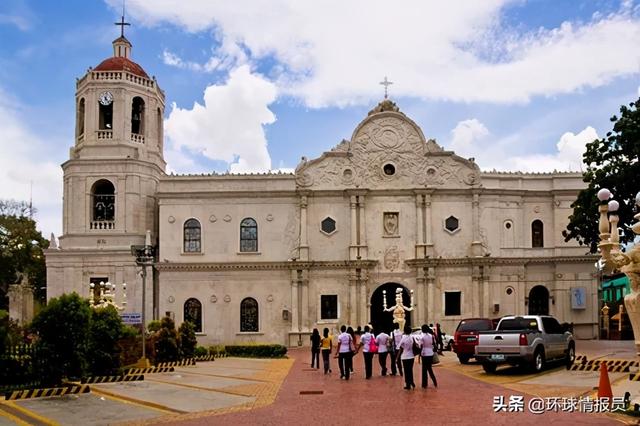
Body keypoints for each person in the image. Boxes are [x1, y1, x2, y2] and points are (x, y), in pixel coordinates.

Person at [396, 325, 417, 390]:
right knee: (410, 370)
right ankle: (411, 381)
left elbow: (400, 348)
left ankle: (408, 384)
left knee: (406, 370)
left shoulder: (403, 338)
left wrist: (397, 357)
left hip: (405, 356)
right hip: (411, 356)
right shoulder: (412, 337)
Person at [420, 324, 438, 388]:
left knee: (424, 369)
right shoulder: (431, 336)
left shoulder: (422, 337)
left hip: (424, 353)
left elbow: (421, 346)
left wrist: (420, 354)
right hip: (430, 353)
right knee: (429, 368)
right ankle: (434, 381)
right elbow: (434, 344)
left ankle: (424, 384)